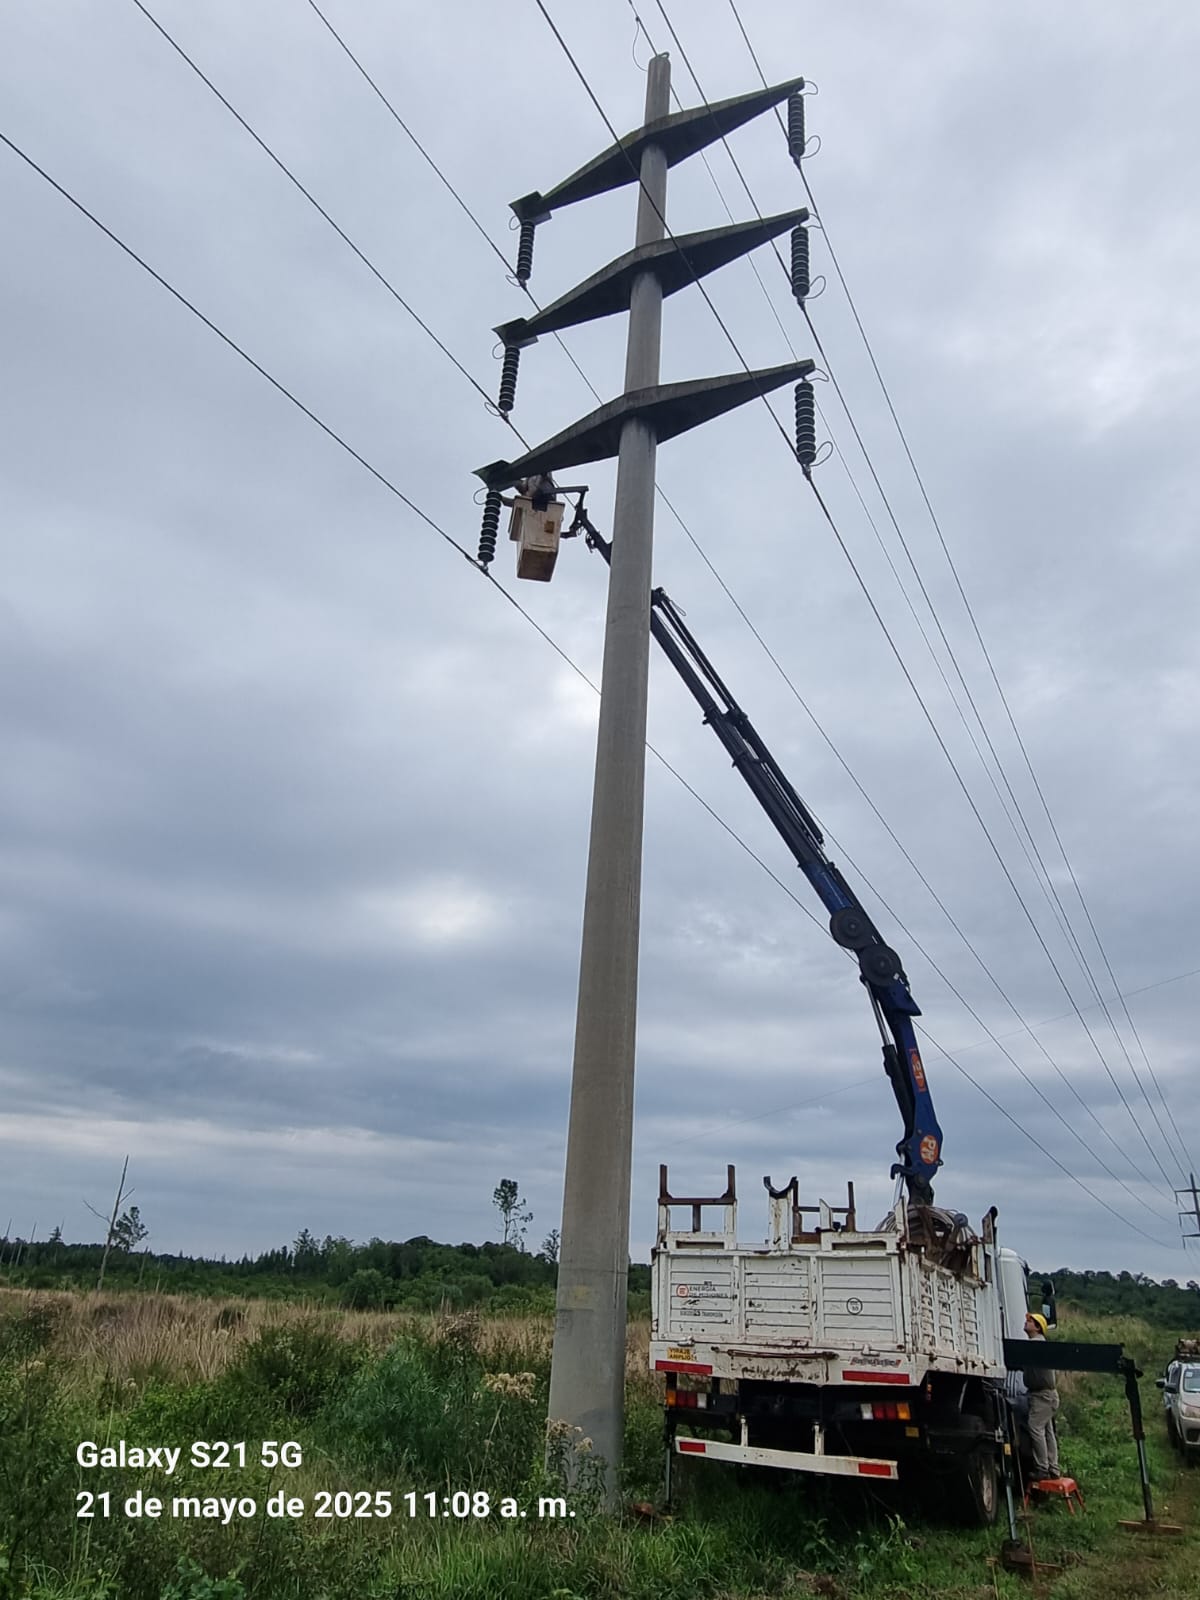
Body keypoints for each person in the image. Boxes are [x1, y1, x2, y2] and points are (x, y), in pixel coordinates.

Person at [1023, 1310, 1061, 1481]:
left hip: (1042, 1396)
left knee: (1035, 1427)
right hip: (1048, 1396)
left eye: (1030, 1321)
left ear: (1037, 1328)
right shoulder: (1038, 1344)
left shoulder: (1035, 1344)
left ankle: (1042, 1469)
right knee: (1047, 1431)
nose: (1026, 1323)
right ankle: (1053, 1468)